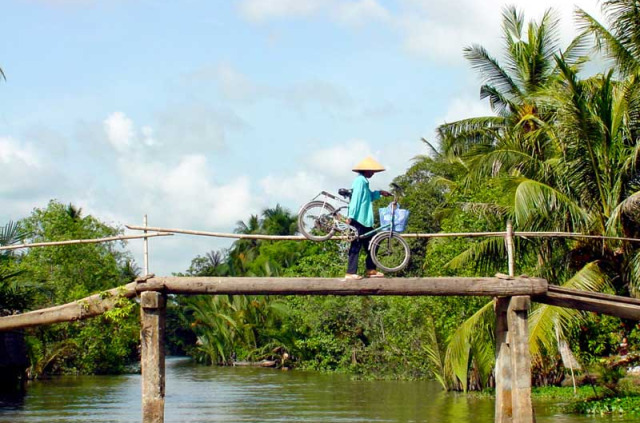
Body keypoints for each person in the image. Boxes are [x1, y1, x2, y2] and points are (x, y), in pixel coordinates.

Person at [344, 156, 391, 280]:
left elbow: (368, 196)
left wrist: (380, 193)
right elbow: (355, 199)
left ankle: (371, 269)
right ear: (366, 170)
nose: (373, 173)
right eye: (371, 171)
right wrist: (350, 216)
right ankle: (350, 272)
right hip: (358, 219)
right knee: (356, 244)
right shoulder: (360, 181)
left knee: (373, 240)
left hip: (365, 220)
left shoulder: (364, 182)